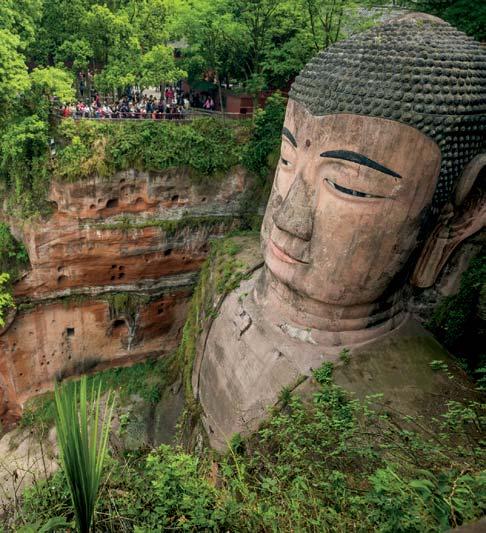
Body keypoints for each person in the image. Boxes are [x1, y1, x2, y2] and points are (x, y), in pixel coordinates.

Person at [195, 14, 486, 450]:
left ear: (463, 212)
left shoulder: (391, 429)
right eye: (286, 160)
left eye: (349, 185)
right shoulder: (231, 279)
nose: (287, 219)